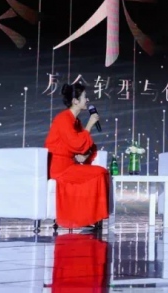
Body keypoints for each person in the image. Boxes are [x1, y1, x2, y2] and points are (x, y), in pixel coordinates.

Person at [45, 83, 109, 231]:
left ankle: (89, 217)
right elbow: (77, 144)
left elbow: (83, 147)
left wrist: (85, 154)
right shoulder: (63, 119)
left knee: (101, 172)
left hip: (70, 165)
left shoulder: (76, 121)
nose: (87, 100)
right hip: (59, 167)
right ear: (75, 101)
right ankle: (87, 218)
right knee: (99, 173)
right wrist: (90, 125)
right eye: (84, 97)